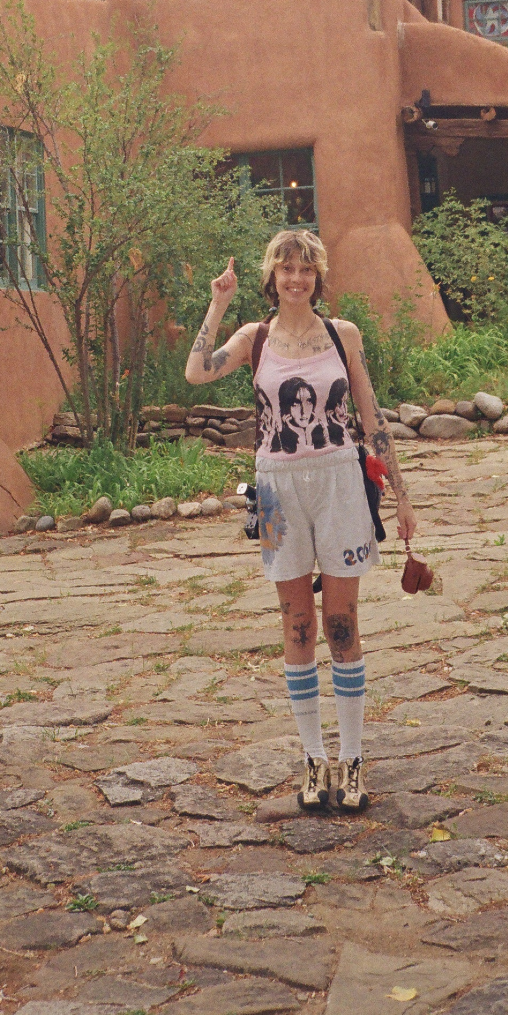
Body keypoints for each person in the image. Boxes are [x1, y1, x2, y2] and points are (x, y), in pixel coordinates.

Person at [184, 229, 416, 812]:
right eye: (286, 269)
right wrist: (217, 303)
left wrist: (403, 497)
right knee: (296, 625)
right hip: (273, 490)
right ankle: (313, 761)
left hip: (340, 477)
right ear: (272, 276)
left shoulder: (343, 336)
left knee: (341, 621)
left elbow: (371, 416)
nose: (296, 279)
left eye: (306, 270)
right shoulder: (253, 338)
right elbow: (196, 373)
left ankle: (353, 760)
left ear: (318, 276)